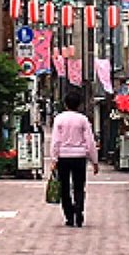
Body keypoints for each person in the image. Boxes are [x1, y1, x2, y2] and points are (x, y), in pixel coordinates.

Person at [47, 89, 99, 227]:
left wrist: (54, 159)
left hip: (63, 157)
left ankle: (69, 216)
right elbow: (90, 141)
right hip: (79, 157)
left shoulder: (59, 119)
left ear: (65, 104)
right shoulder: (83, 119)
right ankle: (79, 212)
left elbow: (55, 141)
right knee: (79, 186)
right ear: (79, 105)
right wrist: (94, 161)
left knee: (64, 187)